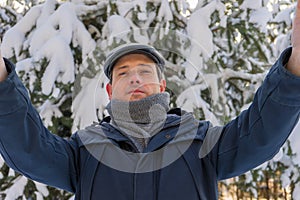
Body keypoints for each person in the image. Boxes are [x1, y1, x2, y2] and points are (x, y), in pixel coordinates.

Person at [1, 3, 300, 200]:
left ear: (162, 85)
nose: (135, 78)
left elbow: (258, 136)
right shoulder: (84, 151)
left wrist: (296, 63)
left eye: (145, 71)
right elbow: (30, 151)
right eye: (124, 73)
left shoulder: (201, 143)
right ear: (109, 89)